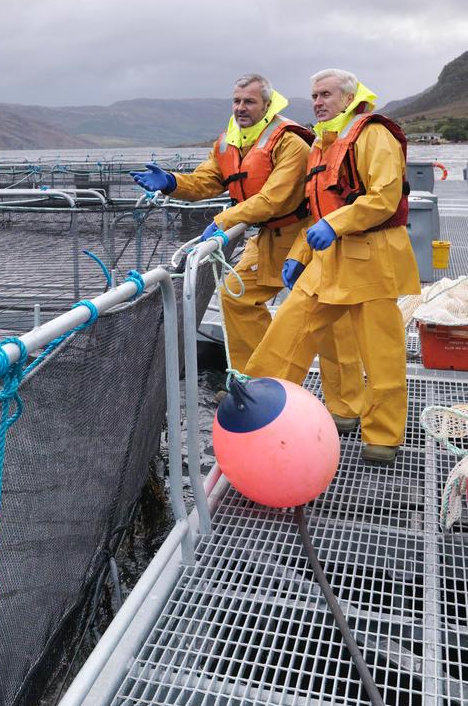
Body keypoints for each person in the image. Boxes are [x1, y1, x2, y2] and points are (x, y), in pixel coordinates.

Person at [130, 76, 364, 426]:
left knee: (328, 319)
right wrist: (172, 182)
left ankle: (346, 408)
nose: (241, 108)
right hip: (267, 237)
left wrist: (224, 221)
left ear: (267, 105)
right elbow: (207, 180)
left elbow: (275, 198)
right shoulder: (228, 141)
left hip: (308, 236)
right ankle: (257, 384)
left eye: (249, 102)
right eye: (237, 101)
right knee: (236, 298)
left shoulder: (290, 143)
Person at [243, 68, 420, 464]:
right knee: (286, 333)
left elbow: (384, 198)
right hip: (327, 263)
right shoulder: (324, 143)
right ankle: (255, 407)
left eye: (325, 95)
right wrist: (297, 255)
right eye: (314, 96)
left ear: (348, 97)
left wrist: (334, 225)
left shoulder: (374, 134)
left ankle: (383, 436)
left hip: (373, 260)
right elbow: (316, 211)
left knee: (381, 355)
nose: (318, 103)